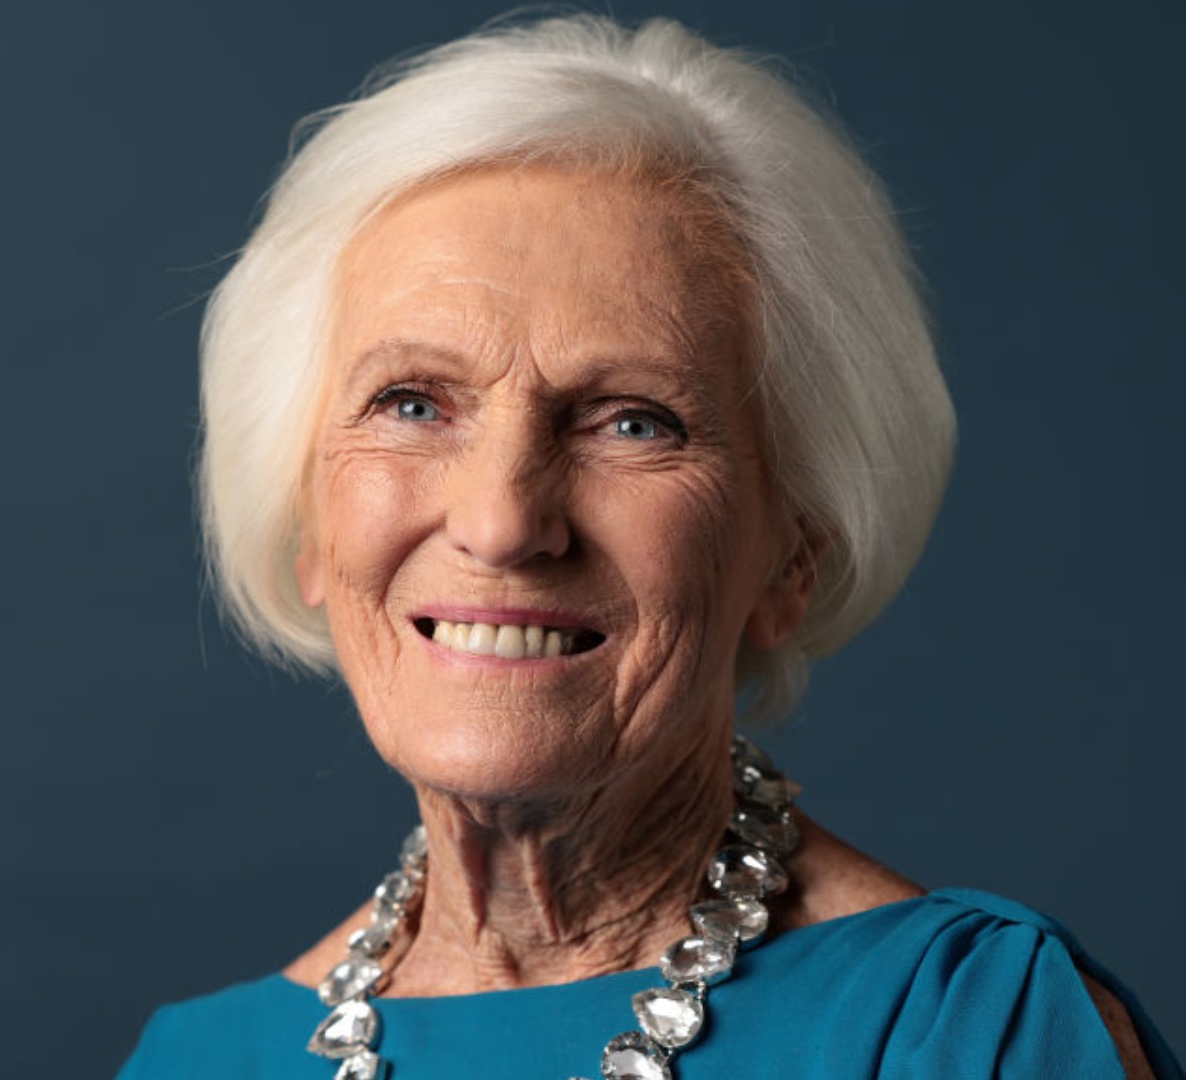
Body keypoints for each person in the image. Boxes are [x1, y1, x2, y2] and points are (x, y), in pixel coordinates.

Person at [116, 13, 1181, 1080]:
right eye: (410, 403)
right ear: (307, 518)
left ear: (794, 550)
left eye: (633, 421)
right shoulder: (195, 1060)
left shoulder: (968, 1033)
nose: (500, 523)